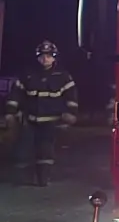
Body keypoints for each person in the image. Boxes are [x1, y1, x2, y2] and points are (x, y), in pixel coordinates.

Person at [4, 41, 78, 187]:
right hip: (29, 120)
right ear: (37, 57)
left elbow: (72, 97)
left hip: (52, 121)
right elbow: (15, 95)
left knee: (45, 150)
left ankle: (43, 178)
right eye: (42, 56)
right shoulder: (27, 74)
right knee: (24, 150)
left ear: (55, 58)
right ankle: (25, 176)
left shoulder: (63, 76)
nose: (45, 59)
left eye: (49, 56)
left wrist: (71, 114)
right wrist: (10, 113)